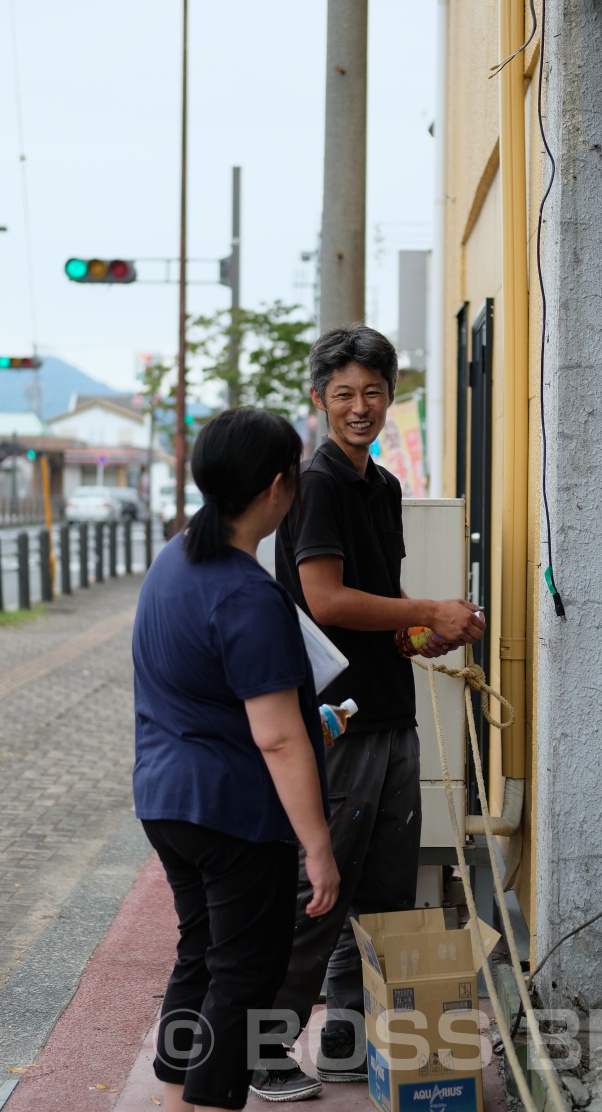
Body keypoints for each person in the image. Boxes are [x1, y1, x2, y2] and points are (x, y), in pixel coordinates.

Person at [250, 325, 484, 1102]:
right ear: (319, 400)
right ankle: (268, 1046)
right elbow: (322, 599)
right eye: (344, 393)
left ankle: (349, 1039)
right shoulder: (315, 485)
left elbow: (371, 603)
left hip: (391, 713)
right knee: (320, 890)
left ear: (391, 396)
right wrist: (427, 606)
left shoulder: (380, 485)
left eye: (373, 391)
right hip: (335, 721)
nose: (360, 406)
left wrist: (419, 630)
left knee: (383, 894)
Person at [132, 408, 339, 1112]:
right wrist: (319, 848)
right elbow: (277, 739)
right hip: (231, 812)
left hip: (166, 799)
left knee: (202, 955)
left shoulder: (173, 559)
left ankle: (174, 1100)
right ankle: (208, 1101)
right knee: (244, 978)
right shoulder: (247, 593)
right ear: (279, 486)